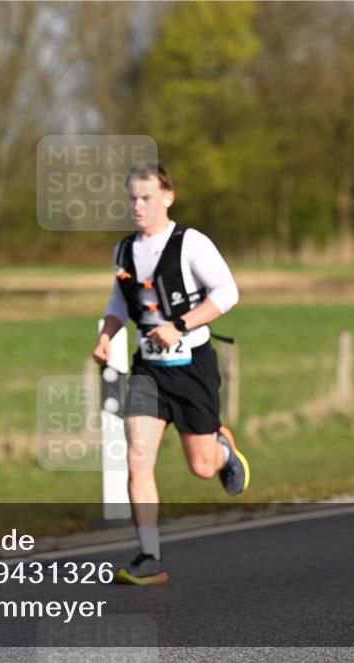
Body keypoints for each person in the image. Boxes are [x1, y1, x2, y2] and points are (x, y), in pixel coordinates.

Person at [92, 162, 250, 586]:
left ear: (167, 197)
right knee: (136, 459)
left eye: (146, 197)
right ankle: (150, 555)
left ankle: (223, 450)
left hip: (191, 367)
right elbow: (119, 303)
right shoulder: (124, 250)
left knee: (201, 467)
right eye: (132, 198)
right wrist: (107, 335)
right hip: (147, 371)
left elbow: (228, 293)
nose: (138, 206)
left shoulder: (190, 243)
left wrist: (180, 325)